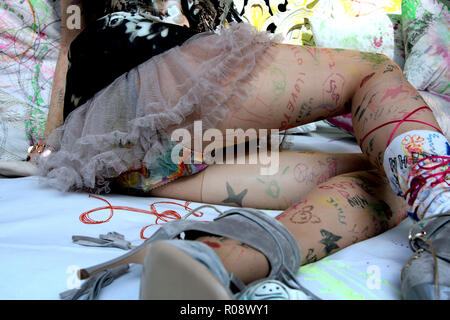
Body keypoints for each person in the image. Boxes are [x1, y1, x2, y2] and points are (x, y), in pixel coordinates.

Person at [36, 0, 449, 300]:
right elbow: (71, 43)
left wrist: (61, 143)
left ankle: (218, 260)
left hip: (124, 158)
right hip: (135, 67)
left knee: (391, 177)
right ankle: (445, 217)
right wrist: (52, 138)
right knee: (372, 70)